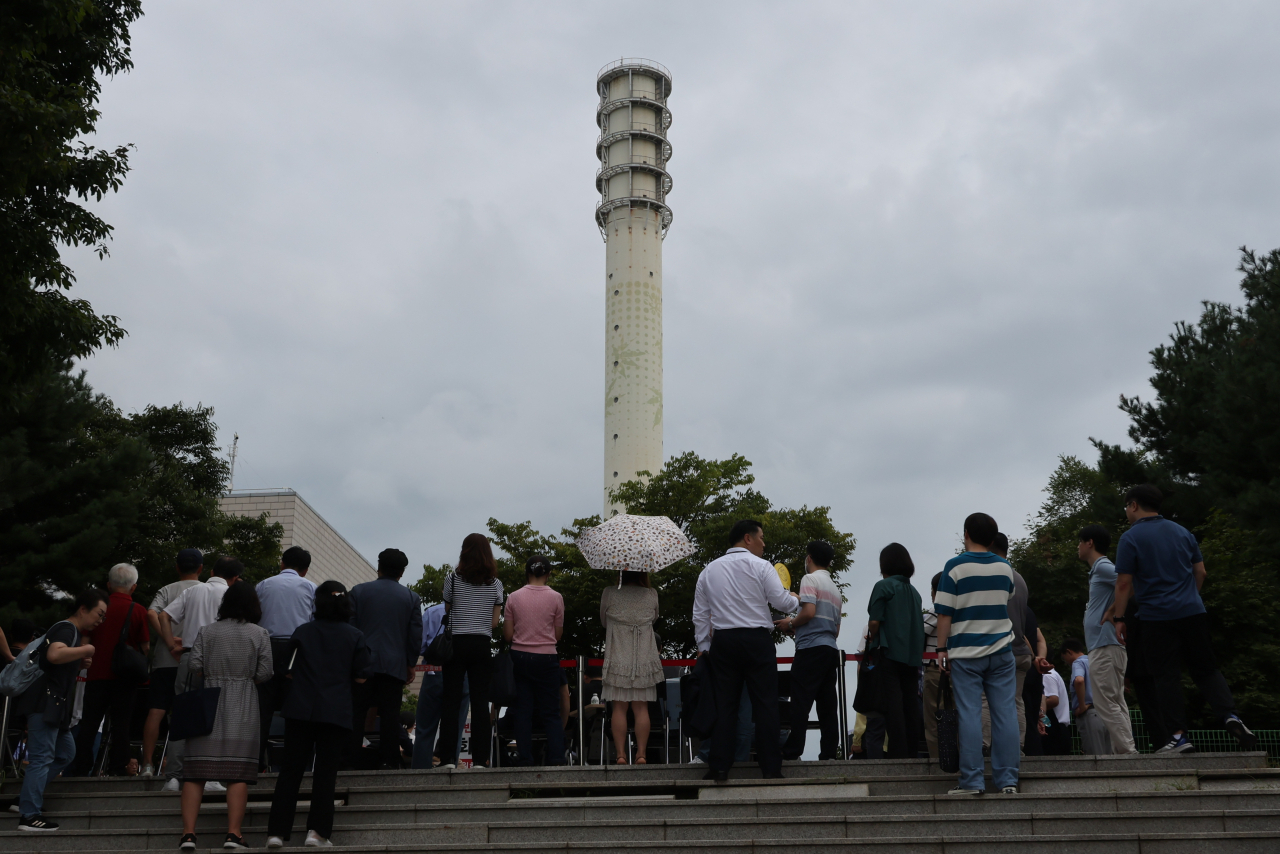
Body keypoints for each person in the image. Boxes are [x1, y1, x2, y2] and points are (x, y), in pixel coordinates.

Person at [1105, 484, 1256, 753]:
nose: (1127, 511)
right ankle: (1231, 716)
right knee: (1206, 669)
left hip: (1156, 617)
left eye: (1127, 506)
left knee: (1166, 677)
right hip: (1192, 612)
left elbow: (1124, 583)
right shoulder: (1183, 532)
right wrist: (1190, 598)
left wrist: (1119, 617)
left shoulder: (1131, 538)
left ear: (1134, 505)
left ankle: (1178, 737)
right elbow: (1201, 572)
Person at [266, 580, 372, 849]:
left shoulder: (302, 632)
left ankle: (277, 833)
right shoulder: (355, 635)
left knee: (290, 770)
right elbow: (361, 677)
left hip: (300, 708)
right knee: (325, 773)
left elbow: (286, 671)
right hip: (335, 710)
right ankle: (317, 833)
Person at [692, 520, 798, 782]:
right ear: (747, 538)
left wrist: (704, 647)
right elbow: (781, 601)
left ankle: (719, 767)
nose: (764, 543)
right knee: (765, 705)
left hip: (724, 642)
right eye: (761, 537)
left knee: (725, 705)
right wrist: (796, 598)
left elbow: (700, 614)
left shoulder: (709, 570)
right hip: (756, 640)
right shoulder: (761, 566)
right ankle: (770, 768)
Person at [178, 577, 273, 851]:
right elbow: (266, 672)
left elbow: (195, 664)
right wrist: (243, 679)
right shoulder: (259, 634)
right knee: (237, 772)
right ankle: (233, 834)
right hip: (242, 702)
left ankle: (188, 835)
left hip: (207, 700)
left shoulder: (207, 631)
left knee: (195, 772)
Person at [935, 512, 1019, 796]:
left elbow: (944, 613)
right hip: (1002, 651)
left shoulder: (954, 567)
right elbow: (1006, 598)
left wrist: (941, 648)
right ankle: (1008, 780)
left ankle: (972, 782)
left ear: (966, 534)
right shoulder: (1005, 567)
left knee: (970, 714)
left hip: (966, 652)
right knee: (1005, 713)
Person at [14, 589, 108, 831]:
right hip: (46, 705)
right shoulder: (67, 628)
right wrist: (86, 651)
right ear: (83, 609)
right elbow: (55, 654)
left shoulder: (70, 631)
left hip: (54, 707)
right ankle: (29, 815)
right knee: (42, 758)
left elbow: (55, 663)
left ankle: (25, 799)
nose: (100, 620)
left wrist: (77, 661)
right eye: (99, 613)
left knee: (65, 754)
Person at [161, 554, 243, 793]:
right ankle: (210, 777)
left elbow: (163, 615)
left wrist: (170, 644)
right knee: (216, 718)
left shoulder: (193, 591)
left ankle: (173, 778)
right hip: (220, 660)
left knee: (182, 715)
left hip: (188, 657)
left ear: (210, 571)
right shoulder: (231, 595)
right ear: (236, 578)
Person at [72, 563, 150, 777]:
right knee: (121, 725)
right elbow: (145, 646)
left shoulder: (98, 609)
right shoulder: (138, 610)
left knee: (89, 723)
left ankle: (81, 768)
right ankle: (117, 768)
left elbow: (85, 639)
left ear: (108, 585)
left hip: (96, 674)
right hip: (125, 678)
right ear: (133, 587)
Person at [347, 548, 422, 770]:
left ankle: (351, 758)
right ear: (402, 572)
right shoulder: (411, 598)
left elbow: (350, 627)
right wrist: (410, 663)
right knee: (390, 715)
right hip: (394, 664)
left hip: (362, 663)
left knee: (357, 712)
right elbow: (415, 634)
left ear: (378, 566)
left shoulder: (358, 592)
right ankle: (389, 760)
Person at [438, 534, 503, 770]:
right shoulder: (496, 584)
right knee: (479, 702)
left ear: (464, 552)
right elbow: (495, 623)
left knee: (451, 701)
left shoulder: (453, 579)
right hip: (481, 644)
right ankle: (479, 760)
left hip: (456, 643)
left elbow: (447, 609)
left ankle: (446, 759)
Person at [141, 549, 203, 779]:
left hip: (165, 661)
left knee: (156, 710)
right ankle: (188, 764)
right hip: (193, 659)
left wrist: (168, 643)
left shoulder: (167, 589)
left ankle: (147, 765)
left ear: (177, 567)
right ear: (201, 569)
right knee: (190, 712)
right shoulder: (205, 590)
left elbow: (151, 614)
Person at [779, 541, 843, 761]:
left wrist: (790, 624)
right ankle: (828, 753)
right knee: (827, 705)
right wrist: (798, 625)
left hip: (809, 650)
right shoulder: (835, 588)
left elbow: (808, 612)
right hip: (829, 649)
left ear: (809, 559)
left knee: (800, 703)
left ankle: (792, 750)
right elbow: (835, 629)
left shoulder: (809, 579)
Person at [255, 545, 317, 769]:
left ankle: (256, 762)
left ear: (282, 563)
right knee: (295, 708)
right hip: (297, 649)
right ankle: (294, 762)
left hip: (265, 646)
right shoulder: (311, 588)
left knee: (262, 707)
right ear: (305, 570)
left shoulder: (263, 584)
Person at [1078, 524, 1137, 754]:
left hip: (1105, 645)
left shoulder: (1103, 566)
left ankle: (1128, 753)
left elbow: (1129, 582)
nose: (1078, 547)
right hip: (1105, 645)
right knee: (1115, 701)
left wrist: (1113, 611)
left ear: (1089, 542)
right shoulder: (1098, 570)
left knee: (1105, 702)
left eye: (1080, 542)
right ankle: (1123, 752)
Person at [504, 554, 567, 766]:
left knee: (523, 710)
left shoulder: (513, 597)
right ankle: (557, 757)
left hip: (520, 656)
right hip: (547, 656)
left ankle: (525, 757)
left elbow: (507, 635)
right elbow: (558, 635)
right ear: (548, 574)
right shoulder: (556, 597)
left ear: (527, 573)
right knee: (551, 711)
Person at [865, 543, 925, 759]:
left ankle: (898, 753)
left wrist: (873, 637)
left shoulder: (884, 586)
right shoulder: (914, 592)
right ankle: (912, 750)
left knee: (893, 704)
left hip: (889, 653)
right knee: (910, 702)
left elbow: (874, 622)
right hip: (912, 655)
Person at [599, 567, 662, 765]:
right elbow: (654, 618)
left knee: (618, 707)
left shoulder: (610, 592)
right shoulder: (651, 594)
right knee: (641, 708)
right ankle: (641, 754)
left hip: (618, 656)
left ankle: (620, 755)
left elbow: (603, 622)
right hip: (644, 657)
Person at [411, 600, 469, 769]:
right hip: (462, 673)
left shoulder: (432, 612)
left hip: (434, 672)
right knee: (456, 727)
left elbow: (421, 646)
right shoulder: (471, 613)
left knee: (425, 728)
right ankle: (449, 764)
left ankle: (420, 771)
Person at [1060, 638, 1111, 754]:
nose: (1066, 662)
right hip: (1107, 712)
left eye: (1064, 659)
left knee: (1095, 756)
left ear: (1069, 652)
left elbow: (1079, 680)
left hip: (1090, 714)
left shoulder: (1078, 663)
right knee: (1109, 756)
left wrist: (1082, 705)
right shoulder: (1096, 661)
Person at [922, 572, 943, 761]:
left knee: (933, 719)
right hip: (960, 670)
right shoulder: (962, 613)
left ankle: (938, 761)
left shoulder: (936, 612)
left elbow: (918, 632)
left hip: (934, 670)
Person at [1040, 664, 1071, 755]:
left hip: (1053, 728)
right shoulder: (1054, 674)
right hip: (1059, 728)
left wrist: (1033, 708)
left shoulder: (1047, 675)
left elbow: (1053, 700)